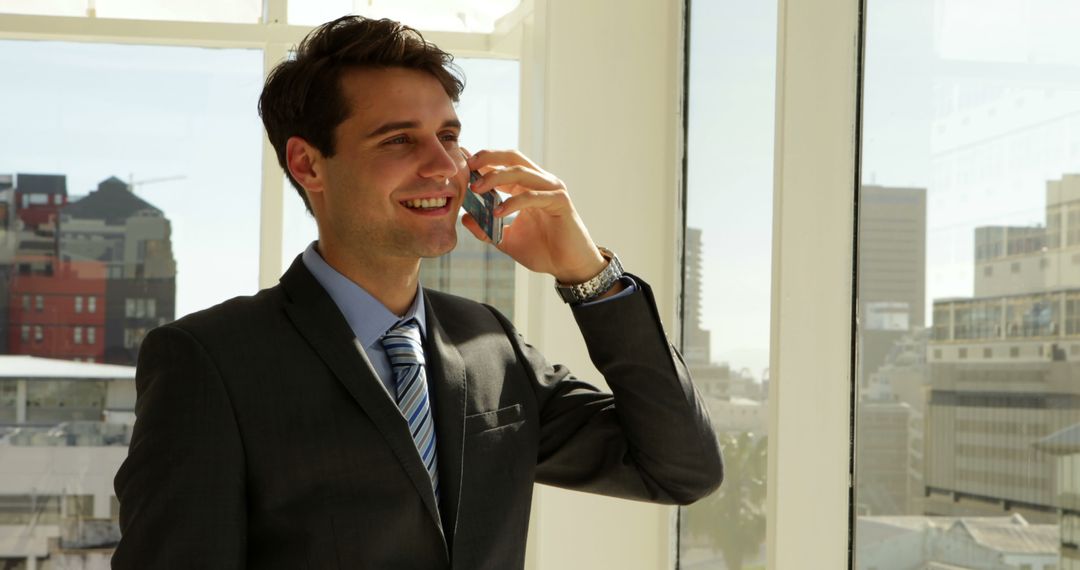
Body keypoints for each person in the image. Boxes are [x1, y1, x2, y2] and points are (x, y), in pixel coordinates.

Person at [112, 15, 723, 570]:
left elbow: (680, 469)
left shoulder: (491, 344)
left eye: (449, 135)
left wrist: (587, 274)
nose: (443, 166)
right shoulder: (209, 360)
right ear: (308, 164)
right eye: (400, 140)